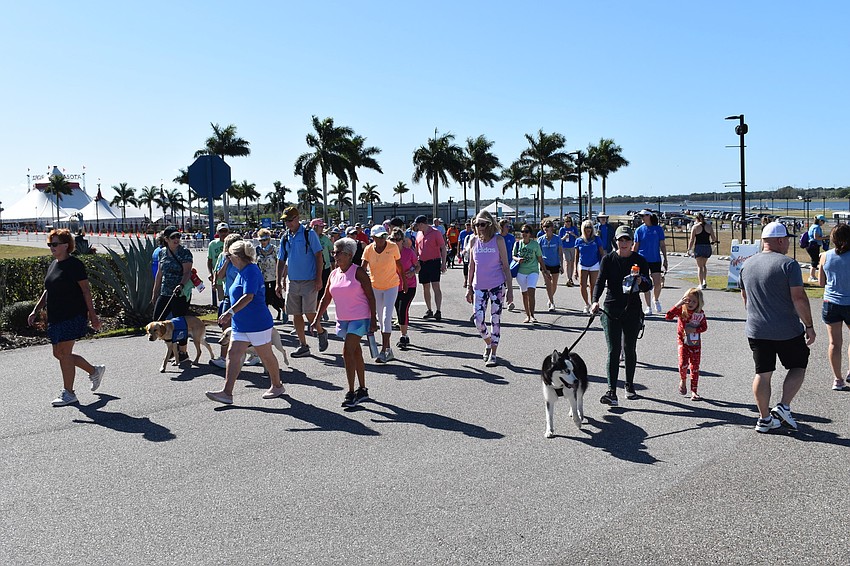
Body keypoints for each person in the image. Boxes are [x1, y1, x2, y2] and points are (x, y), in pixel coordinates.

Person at [739, 221, 816, 433]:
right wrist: (809, 325)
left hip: (756, 329)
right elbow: (799, 298)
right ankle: (783, 405)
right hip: (786, 330)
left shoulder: (746, 264)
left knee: (762, 373)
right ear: (780, 240)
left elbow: (745, 298)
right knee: (798, 365)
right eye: (787, 240)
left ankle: (764, 418)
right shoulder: (788, 265)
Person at [28, 229, 105, 406]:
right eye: (50, 244)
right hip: (55, 316)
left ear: (66, 245)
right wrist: (35, 310)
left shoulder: (75, 265)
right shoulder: (53, 264)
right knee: (59, 354)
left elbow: (86, 290)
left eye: (54, 244)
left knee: (64, 353)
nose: (51, 247)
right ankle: (94, 371)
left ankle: (69, 393)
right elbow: (48, 290)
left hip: (72, 315)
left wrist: (93, 316)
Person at [205, 240, 286, 404]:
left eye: (229, 256)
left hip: (257, 323)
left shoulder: (251, 271)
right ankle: (227, 393)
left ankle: (277, 386)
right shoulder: (241, 271)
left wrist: (229, 312)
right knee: (233, 353)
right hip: (241, 324)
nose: (228, 259)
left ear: (237, 256)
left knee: (266, 356)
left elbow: (249, 296)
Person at [313, 238, 378, 408]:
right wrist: (316, 318)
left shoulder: (359, 272)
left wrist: (373, 319)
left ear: (349, 255)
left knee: (347, 351)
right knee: (356, 352)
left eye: (337, 252)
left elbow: (371, 296)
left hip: (360, 317)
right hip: (343, 319)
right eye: (334, 252)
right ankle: (363, 389)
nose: (334, 255)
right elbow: (326, 298)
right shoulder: (334, 273)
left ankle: (351, 392)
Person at [590, 225, 651, 407]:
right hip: (611, 308)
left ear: (632, 242)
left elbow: (648, 285)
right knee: (613, 350)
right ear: (615, 242)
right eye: (620, 240)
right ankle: (611, 391)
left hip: (632, 309)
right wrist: (594, 301)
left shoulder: (640, 260)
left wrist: (641, 280)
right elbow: (599, 282)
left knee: (629, 347)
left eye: (627, 240)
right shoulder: (608, 259)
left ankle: (629, 385)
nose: (623, 243)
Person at [275, 206, 328, 358]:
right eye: (286, 221)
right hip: (293, 281)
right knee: (295, 314)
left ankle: (321, 331)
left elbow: (319, 256)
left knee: (309, 312)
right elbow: (281, 260)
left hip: (309, 280)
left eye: (290, 220)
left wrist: (318, 278)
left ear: (297, 218)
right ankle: (303, 345)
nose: (288, 223)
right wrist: (279, 282)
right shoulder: (285, 237)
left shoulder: (308, 234)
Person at [466, 211, 513, 367]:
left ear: (489, 224)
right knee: (478, 320)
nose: (479, 227)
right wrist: (468, 288)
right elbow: (471, 266)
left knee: (495, 320)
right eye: (476, 224)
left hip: (496, 286)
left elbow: (506, 266)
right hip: (479, 286)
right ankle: (488, 342)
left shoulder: (498, 240)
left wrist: (511, 290)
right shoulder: (473, 241)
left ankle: (493, 353)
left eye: (482, 224)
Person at [361, 224, 407, 363]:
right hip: (375, 287)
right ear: (373, 237)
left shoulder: (392, 247)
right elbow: (362, 269)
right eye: (379, 237)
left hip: (391, 285)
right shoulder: (369, 249)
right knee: (380, 319)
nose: (382, 240)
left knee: (387, 317)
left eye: (384, 236)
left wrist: (404, 281)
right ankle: (388, 350)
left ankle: (384, 351)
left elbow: (399, 265)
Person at [151, 226, 193, 362]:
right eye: (173, 237)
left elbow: (187, 272)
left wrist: (180, 285)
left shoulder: (185, 252)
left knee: (179, 322)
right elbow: (160, 272)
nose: (176, 239)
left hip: (180, 293)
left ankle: (183, 352)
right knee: (158, 319)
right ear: (166, 239)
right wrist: (155, 291)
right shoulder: (162, 252)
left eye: (178, 237)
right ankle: (171, 348)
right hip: (165, 291)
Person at [818, 223, 850, 391]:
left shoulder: (825, 256)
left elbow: (821, 282)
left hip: (831, 303)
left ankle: (837, 380)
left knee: (834, 343)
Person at [665, 288, 708, 401]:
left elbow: (704, 327)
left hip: (695, 343)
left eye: (694, 301)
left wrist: (694, 330)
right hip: (683, 343)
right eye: (689, 300)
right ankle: (683, 380)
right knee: (683, 364)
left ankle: (694, 391)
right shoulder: (681, 311)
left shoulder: (699, 313)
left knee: (695, 367)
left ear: (699, 303)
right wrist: (679, 304)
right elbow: (668, 316)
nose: (691, 304)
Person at [633, 210, 667, 315]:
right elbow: (636, 246)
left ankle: (655, 299)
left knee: (657, 283)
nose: (643, 218)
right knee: (646, 284)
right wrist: (632, 259)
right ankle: (648, 306)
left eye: (644, 215)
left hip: (655, 259)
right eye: (641, 216)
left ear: (649, 216)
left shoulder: (658, 229)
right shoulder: (639, 230)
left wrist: (665, 258)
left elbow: (662, 245)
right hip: (642, 259)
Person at [414, 214, 447, 320]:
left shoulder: (436, 233)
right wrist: (416, 262)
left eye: (418, 225)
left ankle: (438, 310)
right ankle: (429, 310)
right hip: (422, 263)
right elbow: (416, 249)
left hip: (434, 262)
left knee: (436, 286)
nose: (417, 227)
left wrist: (443, 263)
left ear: (423, 224)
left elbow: (443, 248)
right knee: (425, 286)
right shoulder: (418, 234)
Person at [512, 223, 545, 323]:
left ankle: (532, 315)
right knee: (524, 294)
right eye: (522, 232)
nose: (524, 233)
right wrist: (518, 259)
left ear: (530, 233)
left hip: (533, 271)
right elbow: (513, 256)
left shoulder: (535, 244)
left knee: (531, 292)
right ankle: (527, 315)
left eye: (526, 232)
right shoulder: (518, 244)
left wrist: (545, 270)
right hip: (521, 272)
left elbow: (539, 258)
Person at [393, 228, 419, 350]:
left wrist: (412, 272)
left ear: (402, 241)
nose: (395, 242)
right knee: (398, 311)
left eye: (397, 239)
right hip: (393, 286)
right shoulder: (388, 253)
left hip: (409, 285)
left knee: (403, 309)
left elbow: (418, 266)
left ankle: (404, 336)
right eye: (392, 239)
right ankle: (404, 334)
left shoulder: (408, 253)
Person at [574, 220, 606, 314]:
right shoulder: (579, 240)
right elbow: (576, 256)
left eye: (590, 227)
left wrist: (603, 266)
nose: (588, 229)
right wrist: (575, 269)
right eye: (586, 227)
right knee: (582, 285)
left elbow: (601, 253)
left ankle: (593, 304)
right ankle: (586, 303)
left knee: (593, 286)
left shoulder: (596, 239)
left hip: (594, 264)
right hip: (583, 264)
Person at [255, 228, 284, 322]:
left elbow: (279, 262)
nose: (263, 242)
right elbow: (255, 263)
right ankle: (265, 317)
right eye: (261, 240)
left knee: (277, 296)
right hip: (262, 278)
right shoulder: (257, 250)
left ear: (269, 239)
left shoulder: (274, 249)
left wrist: (281, 277)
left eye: (265, 240)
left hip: (274, 277)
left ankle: (284, 311)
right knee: (264, 297)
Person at [537, 220, 564, 311]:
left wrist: (561, 265)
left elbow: (560, 253)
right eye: (544, 226)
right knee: (548, 283)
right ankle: (552, 303)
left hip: (555, 263)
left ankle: (550, 298)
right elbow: (538, 254)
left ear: (552, 228)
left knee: (554, 284)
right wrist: (541, 265)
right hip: (545, 264)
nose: (546, 228)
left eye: (548, 226)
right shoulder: (540, 239)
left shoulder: (557, 238)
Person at [687, 212, 718, 290]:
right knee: (704, 265)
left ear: (697, 219)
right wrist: (713, 243)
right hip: (707, 247)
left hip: (699, 247)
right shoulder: (709, 227)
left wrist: (689, 249)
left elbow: (692, 239)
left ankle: (700, 283)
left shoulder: (695, 227)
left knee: (699, 266)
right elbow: (714, 238)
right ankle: (704, 281)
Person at [311, 219, 334, 322]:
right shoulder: (309, 238)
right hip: (313, 269)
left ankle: (321, 310)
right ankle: (316, 313)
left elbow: (332, 250)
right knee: (314, 292)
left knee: (324, 291)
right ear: (314, 227)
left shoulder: (325, 238)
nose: (323, 229)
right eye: (321, 227)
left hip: (325, 268)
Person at [207, 222, 229, 302]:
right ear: (217, 232)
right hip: (219, 278)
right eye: (221, 231)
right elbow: (209, 260)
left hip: (230, 277)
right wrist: (210, 273)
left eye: (225, 231)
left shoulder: (232, 243)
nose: (223, 233)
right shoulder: (212, 245)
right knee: (223, 300)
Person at [499, 220, 517, 311]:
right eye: (506, 226)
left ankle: (510, 302)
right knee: (501, 284)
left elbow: (515, 250)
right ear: (501, 227)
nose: (508, 228)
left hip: (509, 263)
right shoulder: (497, 238)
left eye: (509, 226)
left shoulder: (511, 237)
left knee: (508, 283)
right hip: (499, 264)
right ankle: (501, 301)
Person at [806, 214, 828, 282]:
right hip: (813, 245)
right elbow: (816, 237)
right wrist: (826, 237)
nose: (823, 223)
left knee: (815, 260)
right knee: (815, 261)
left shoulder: (812, 226)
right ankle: (812, 276)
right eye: (823, 222)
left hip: (811, 245)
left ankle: (812, 276)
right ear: (820, 221)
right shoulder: (817, 227)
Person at [559, 216, 579, 287]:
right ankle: (568, 278)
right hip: (565, 247)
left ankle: (571, 278)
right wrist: (564, 237)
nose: (568, 223)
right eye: (566, 221)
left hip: (573, 246)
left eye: (569, 221)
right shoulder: (562, 229)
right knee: (568, 262)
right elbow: (559, 239)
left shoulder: (574, 228)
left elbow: (578, 238)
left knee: (572, 262)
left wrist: (573, 234)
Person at [458, 220, 473, 286]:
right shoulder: (462, 233)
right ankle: (466, 280)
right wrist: (458, 252)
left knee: (472, 266)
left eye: (469, 225)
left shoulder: (473, 233)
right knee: (466, 266)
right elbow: (459, 242)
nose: (468, 227)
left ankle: (471, 280)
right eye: (467, 225)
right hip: (465, 252)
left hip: (472, 252)